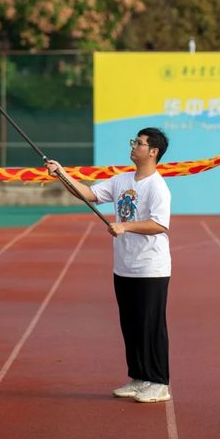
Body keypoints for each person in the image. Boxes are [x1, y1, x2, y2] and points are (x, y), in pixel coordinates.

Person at [46, 127, 172, 403]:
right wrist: (61, 174)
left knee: (150, 326)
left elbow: (159, 224)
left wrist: (125, 226)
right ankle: (139, 377)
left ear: (153, 152)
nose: (133, 146)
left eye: (139, 143)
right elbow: (87, 195)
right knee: (131, 324)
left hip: (150, 268)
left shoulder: (157, 186)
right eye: (134, 142)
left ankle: (159, 382)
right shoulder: (122, 179)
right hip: (124, 266)